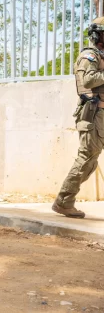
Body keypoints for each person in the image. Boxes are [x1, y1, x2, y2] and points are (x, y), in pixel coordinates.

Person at [52, 16, 104, 218]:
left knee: (88, 160)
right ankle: (64, 201)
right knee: (86, 160)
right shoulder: (89, 56)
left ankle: (64, 201)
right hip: (93, 115)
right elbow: (88, 80)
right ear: (98, 35)